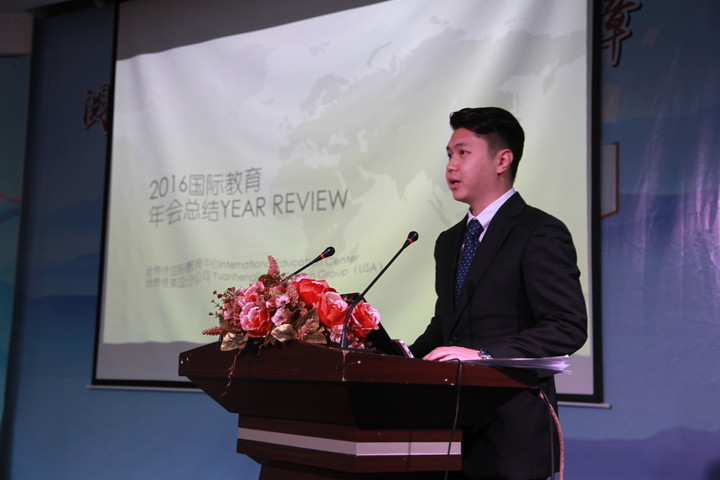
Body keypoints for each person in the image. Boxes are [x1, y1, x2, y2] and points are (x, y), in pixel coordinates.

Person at [409, 107, 588, 480]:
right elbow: (446, 327)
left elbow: (566, 325)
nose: (450, 166)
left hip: (512, 434)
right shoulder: (448, 241)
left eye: (463, 153)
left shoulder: (539, 231)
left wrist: (483, 356)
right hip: (451, 432)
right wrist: (397, 357)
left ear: (502, 160)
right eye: (449, 154)